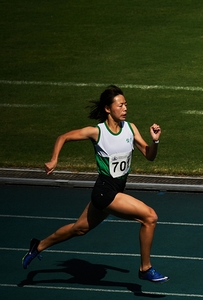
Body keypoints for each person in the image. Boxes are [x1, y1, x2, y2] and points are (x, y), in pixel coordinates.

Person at [21, 85, 169, 283]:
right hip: (105, 192)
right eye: (120, 105)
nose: (125, 108)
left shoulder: (130, 128)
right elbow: (63, 137)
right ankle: (145, 268)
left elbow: (149, 156)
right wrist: (54, 159)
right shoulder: (97, 132)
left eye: (126, 105)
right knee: (149, 217)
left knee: (79, 229)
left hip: (116, 190)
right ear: (108, 109)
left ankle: (37, 246)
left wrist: (155, 142)